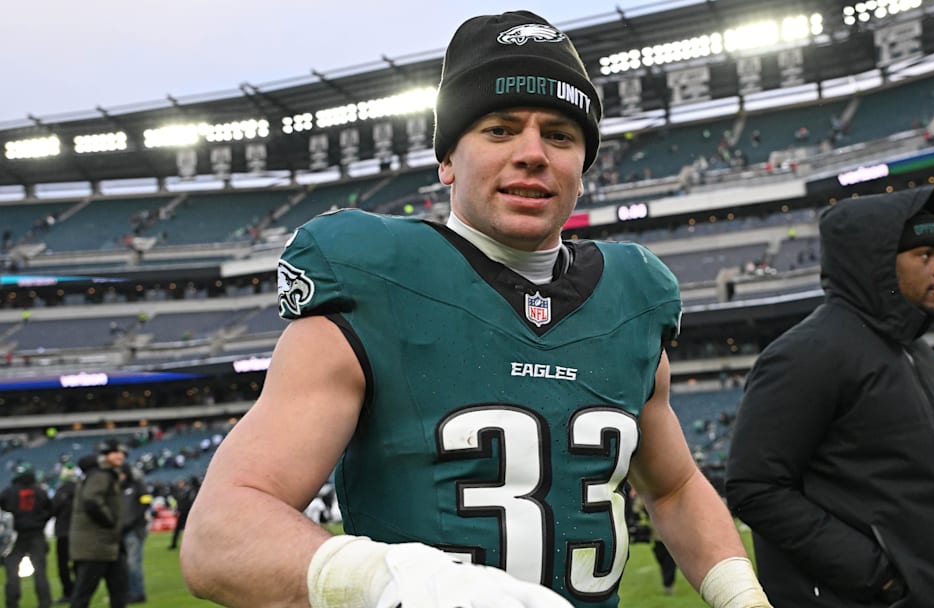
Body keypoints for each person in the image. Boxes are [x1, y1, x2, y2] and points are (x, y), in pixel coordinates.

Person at [181, 10, 770, 608]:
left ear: (583, 171)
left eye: (561, 136)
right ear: (447, 161)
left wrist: (740, 594)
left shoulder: (632, 299)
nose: (533, 153)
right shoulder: (377, 281)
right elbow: (220, 534)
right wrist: (406, 586)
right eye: (499, 129)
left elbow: (672, 489)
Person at [725, 186, 934, 607]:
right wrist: (879, 577)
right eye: (924, 255)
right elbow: (755, 487)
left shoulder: (916, 353)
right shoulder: (806, 355)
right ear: (877, 265)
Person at [69, 441, 128, 608]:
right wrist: (110, 522)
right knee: (83, 594)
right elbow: (91, 501)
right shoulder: (101, 474)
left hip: (108, 544)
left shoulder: (105, 473)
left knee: (119, 591)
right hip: (95, 545)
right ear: (105, 456)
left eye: (121, 452)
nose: (120, 455)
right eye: (115, 452)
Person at [0, 465, 53, 608]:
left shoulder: (9, 492)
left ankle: (12, 604)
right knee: (40, 572)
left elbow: (3, 512)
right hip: (36, 534)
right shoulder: (40, 491)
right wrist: (40, 522)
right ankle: (45, 603)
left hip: (15, 536)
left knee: (12, 574)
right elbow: (50, 509)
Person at [120, 463, 152, 604]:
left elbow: (146, 501)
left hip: (135, 529)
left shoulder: (137, 485)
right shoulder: (118, 487)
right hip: (122, 530)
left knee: (132, 562)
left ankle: (137, 593)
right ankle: (129, 591)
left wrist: (133, 520)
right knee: (125, 564)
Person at [52, 464, 80, 603]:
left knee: (63, 565)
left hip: (63, 532)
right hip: (79, 531)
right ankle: (80, 591)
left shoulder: (61, 491)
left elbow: (53, 509)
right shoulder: (81, 489)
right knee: (78, 563)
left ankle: (68, 592)